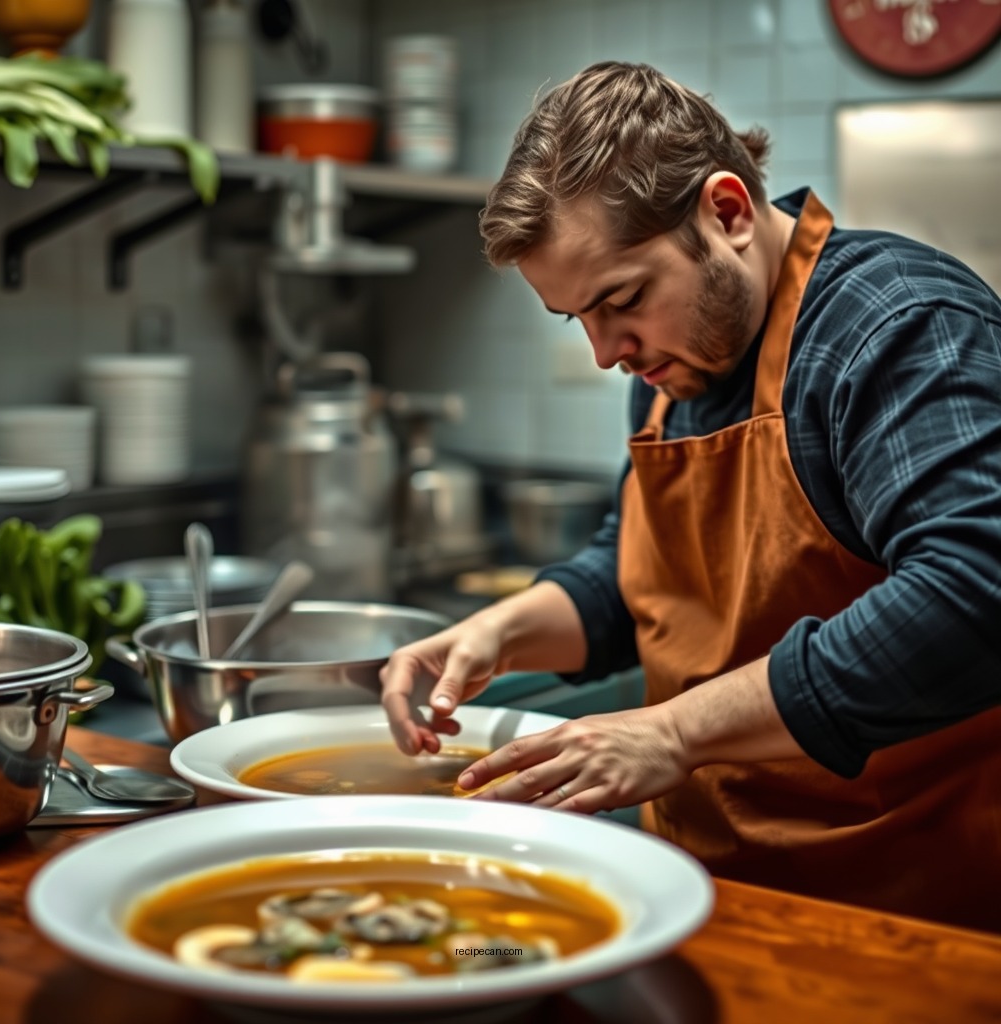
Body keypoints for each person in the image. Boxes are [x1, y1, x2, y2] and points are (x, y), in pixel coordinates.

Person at [378, 61, 1001, 932]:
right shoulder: (678, 357)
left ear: (728, 212)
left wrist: (670, 733)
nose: (605, 352)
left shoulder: (895, 325)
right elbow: (641, 579)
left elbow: (977, 589)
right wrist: (499, 632)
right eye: (577, 319)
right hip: (706, 893)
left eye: (621, 300)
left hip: (905, 912)